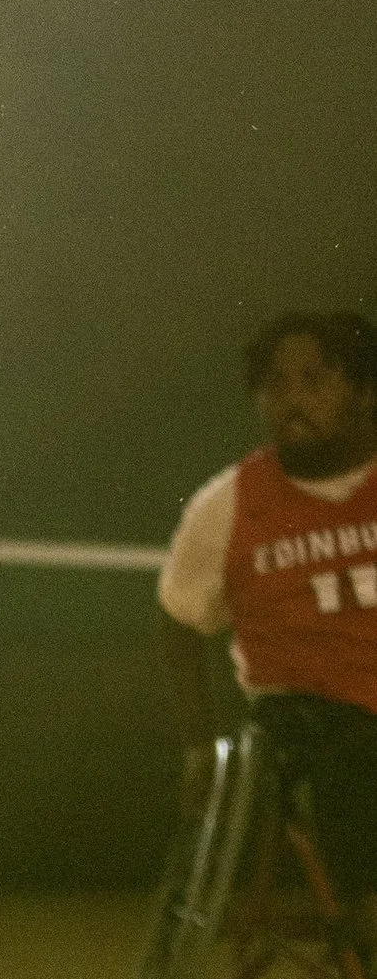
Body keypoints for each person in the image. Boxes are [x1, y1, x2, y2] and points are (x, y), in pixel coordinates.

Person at [158, 306, 377, 900]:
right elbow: (181, 622)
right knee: (356, 756)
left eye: (315, 380)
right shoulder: (228, 505)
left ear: (359, 392)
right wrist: (198, 748)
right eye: (276, 384)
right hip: (307, 721)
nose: (291, 399)